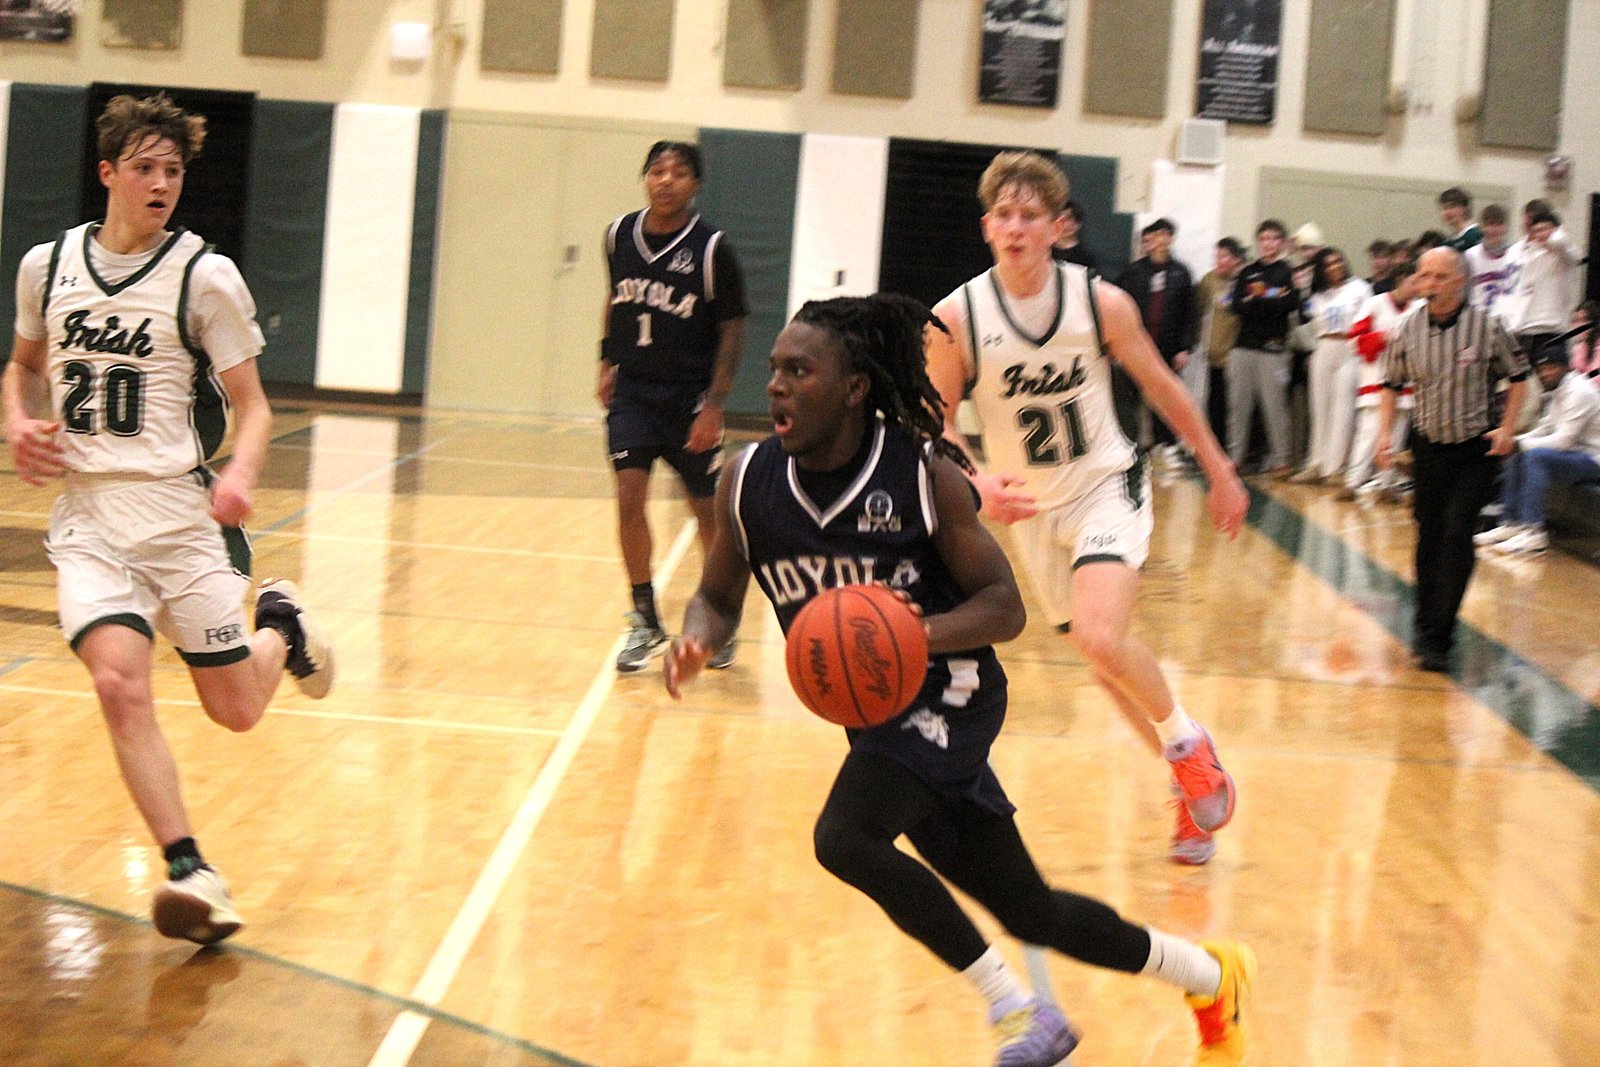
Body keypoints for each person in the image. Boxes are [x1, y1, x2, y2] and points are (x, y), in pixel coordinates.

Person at [664, 293, 1256, 1066]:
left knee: (845, 837)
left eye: (798, 370)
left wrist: (910, 635)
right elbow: (717, 595)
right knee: (1032, 909)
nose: (776, 385)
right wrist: (697, 639)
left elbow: (1004, 608)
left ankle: (1018, 1012)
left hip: (956, 691)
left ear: (853, 387)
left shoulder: (922, 471)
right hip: (879, 718)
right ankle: (1212, 975)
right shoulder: (747, 482)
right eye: (774, 370)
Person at [2, 93, 334, 945]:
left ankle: (282, 630)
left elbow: (254, 405)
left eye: (174, 171)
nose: (160, 184)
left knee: (235, 710)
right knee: (119, 682)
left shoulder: (204, 276)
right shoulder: (48, 265)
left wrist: (243, 475)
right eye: (144, 168)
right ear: (108, 172)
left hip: (183, 515)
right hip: (89, 518)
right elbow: (23, 365)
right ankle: (193, 869)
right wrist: (17, 417)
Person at [926, 151, 1249, 865]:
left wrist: (1219, 467)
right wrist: (975, 481)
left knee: (1104, 637)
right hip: (1031, 509)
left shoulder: (1100, 302)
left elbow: (1162, 387)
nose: (1016, 227)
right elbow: (936, 420)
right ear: (987, 227)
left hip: (1106, 480)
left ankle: (1190, 750)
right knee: (1102, 664)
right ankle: (1187, 776)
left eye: (1030, 215)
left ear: (1057, 227)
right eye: (1004, 215)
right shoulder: (957, 316)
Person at [599, 141, 748, 672]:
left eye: (679, 173)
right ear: (645, 178)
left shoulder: (711, 250)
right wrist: (605, 359)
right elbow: (616, 297)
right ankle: (643, 620)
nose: (666, 180)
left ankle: (721, 614)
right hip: (635, 393)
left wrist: (714, 404)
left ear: (695, 185)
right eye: (657, 171)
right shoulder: (619, 236)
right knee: (627, 495)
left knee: (707, 512)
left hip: (689, 399)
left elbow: (732, 330)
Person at [1376, 247, 1527, 673]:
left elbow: (1518, 379)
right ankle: (1425, 627)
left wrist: (1509, 427)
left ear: (1460, 281)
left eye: (1440, 276)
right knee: (1430, 535)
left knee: (1459, 533)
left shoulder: (1488, 326)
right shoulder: (1407, 329)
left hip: (1474, 449)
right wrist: (1385, 434)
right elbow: (1390, 383)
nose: (1430, 283)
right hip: (1428, 446)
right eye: (1425, 275)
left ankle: (1440, 635)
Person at [1473, 345, 1600, 555]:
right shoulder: (1558, 391)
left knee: (1535, 456)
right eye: (1541, 369)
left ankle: (1534, 532)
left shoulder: (1580, 392)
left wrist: (1518, 444)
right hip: (1575, 455)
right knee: (1522, 452)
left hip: (1593, 459)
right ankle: (1511, 522)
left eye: (1551, 368)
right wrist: (1511, 440)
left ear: (1565, 367)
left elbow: (1563, 441)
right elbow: (1545, 428)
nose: (1545, 373)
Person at [1116, 218, 1196, 464]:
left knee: (1165, 395)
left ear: (1171, 238)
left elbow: (1189, 314)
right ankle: (1127, 445)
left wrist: (1185, 347)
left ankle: (1167, 445)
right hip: (1136, 344)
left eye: (1165, 235)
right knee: (1129, 395)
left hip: (1167, 346)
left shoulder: (1181, 273)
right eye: (1155, 236)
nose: (1160, 241)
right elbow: (1120, 306)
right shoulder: (1134, 272)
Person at [1291, 247, 1371, 484]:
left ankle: (1336, 468)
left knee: (1343, 409)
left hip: (1349, 348)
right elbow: (1305, 324)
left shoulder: (1359, 289)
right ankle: (1317, 463)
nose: (1335, 267)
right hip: (1323, 349)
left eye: (1338, 262)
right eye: (1328, 264)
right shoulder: (1317, 295)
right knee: (1319, 408)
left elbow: (1367, 321)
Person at [1343, 260, 1420, 501]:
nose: (1416, 286)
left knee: (1395, 437)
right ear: (1400, 281)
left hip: (1405, 385)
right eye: (1413, 281)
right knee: (1368, 434)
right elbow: (1354, 340)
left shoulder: (1419, 308)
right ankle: (1352, 482)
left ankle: (1386, 485)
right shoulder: (1374, 304)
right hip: (1375, 381)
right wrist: (1383, 337)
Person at [1227, 220, 1299, 475]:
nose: (1268, 243)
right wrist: (1269, 296)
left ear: (1281, 243)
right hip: (1243, 346)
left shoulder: (1286, 271)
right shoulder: (1247, 272)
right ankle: (1235, 458)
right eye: (1264, 239)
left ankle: (1281, 460)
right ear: (1259, 242)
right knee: (1239, 405)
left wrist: (1260, 298)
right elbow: (1237, 306)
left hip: (1274, 349)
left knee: (1274, 406)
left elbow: (1289, 303)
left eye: (1274, 239)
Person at [1192, 236, 1246, 446]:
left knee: (1235, 405)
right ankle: (1213, 445)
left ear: (1236, 259)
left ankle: (1237, 449)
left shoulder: (1245, 280)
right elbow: (1197, 310)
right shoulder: (1209, 281)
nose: (1219, 261)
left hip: (1236, 354)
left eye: (1225, 256)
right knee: (1214, 403)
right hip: (1214, 355)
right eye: (1217, 256)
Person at [1463, 204, 1520, 320]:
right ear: (1481, 227)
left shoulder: (1517, 254)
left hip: (1509, 320)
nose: (1494, 230)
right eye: (1489, 225)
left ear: (1506, 226)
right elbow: (1465, 291)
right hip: (1480, 320)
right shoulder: (1470, 256)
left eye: (1499, 224)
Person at [1049, 199, 1098, 270]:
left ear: (1078, 224)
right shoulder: (1044, 253)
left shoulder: (1085, 258)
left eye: (1069, 218)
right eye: (1060, 219)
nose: (1065, 225)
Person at [1438, 187, 1482, 252]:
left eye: (1451, 207)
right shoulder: (1447, 243)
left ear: (1465, 208)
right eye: (1444, 208)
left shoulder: (1476, 235)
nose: (1447, 212)